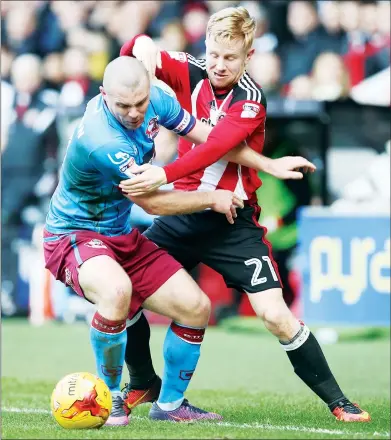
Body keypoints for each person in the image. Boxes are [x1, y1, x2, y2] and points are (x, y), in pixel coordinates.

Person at [118, 6, 370, 422]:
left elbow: (214, 146)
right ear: (206, 47)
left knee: (275, 314)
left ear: (248, 57)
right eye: (214, 54)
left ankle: (338, 400)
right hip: (183, 214)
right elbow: (132, 53)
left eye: (230, 58)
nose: (219, 65)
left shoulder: (251, 98)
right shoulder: (189, 70)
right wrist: (140, 45)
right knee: (121, 290)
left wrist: (161, 172)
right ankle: (145, 382)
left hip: (233, 225)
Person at [43, 56, 251, 426]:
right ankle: (107, 400)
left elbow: (210, 139)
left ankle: (170, 406)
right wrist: (211, 198)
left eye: (140, 103)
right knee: (117, 291)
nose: (136, 112)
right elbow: (153, 202)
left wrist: (267, 162)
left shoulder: (155, 98)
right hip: (74, 234)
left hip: (121, 235)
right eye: (124, 106)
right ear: (104, 95)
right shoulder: (100, 138)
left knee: (196, 307)